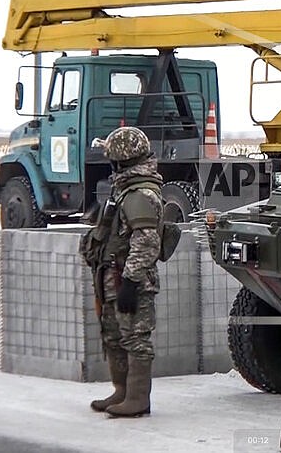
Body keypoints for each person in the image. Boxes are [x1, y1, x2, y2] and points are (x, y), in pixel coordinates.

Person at [84, 126, 164, 417]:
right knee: (114, 335)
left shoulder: (141, 194)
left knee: (135, 338)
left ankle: (138, 399)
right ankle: (122, 391)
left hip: (131, 279)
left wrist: (130, 281)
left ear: (121, 160)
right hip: (113, 276)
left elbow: (147, 241)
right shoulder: (126, 190)